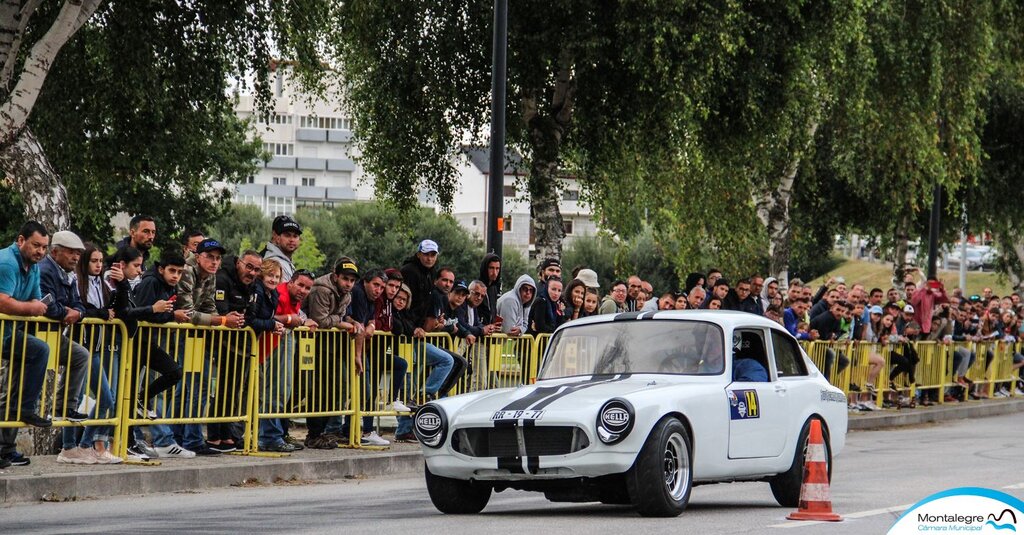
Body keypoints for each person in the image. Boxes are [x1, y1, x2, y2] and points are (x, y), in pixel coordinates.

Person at [112, 247, 192, 459]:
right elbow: (143, 314)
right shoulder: (151, 282)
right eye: (172, 271)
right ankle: (126, 442)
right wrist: (172, 316)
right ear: (160, 269)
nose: (175, 276)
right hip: (135, 341)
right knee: (129, 391)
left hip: (143, 342)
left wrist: (168, 314)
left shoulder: (165, 285)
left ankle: (140, 402)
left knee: (172, 372)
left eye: (179, 272)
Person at [0, 223, 65, 468]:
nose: (40, 251)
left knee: (15, 390)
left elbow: (37, 300)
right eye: (36, 245)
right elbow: (3, 302)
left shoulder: (34, 266)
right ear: (20, 240)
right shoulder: (7, 262)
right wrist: (30, 308)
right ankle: (25, 408)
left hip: (10, 333)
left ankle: (6, 448)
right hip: (5, 331)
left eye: (44, 247)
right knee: (39, 351)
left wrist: (34, 306)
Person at [173, 238, 235, 456]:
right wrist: (222, 321)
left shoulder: (210, 275)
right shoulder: (188, 271)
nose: (215, 262)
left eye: (218, 258)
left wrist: (221, 319)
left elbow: (209, 305)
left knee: (187, 389)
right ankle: (192, 439)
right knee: (197, 387)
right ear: (198, 256)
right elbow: (188, 312)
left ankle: (181, 436)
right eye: (209, 257)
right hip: (184, 335)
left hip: (196, 336)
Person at [346, 268, 409, 446]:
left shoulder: (383, 300)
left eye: (396, 287)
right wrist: (373, 325)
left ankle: (366, 428)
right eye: (389, 285)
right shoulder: (371, 297)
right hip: (367, 350)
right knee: (366, 391)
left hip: (374, 350)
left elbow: (388, 326)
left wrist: (373, 325)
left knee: (369, 391)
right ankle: (360, 429)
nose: (390, 290)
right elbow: (367, 322)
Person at [302, 257, 358, 449]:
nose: (349, 284)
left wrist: (351, 322)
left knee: (337, 388)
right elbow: (320, 320)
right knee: (316, 390)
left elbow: (338, 317)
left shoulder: (346, 294)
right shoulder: (322, 289)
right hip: (313, 345)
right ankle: (313, 433)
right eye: (345, 279)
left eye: (352, 280)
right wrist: (342, 323)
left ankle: (322, 432)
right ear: (336, 277)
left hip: (331, 346)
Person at [263, 215, 302, 282]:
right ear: (277, 237)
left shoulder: (286, 260)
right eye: (287, 235)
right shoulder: (274, 262)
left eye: (295, 236)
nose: (292, 239)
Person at [477, 253, 501, 324]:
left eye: (497, 269)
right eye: (491, 268)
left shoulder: (494, 288)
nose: (494, 273)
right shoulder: (477, 286)